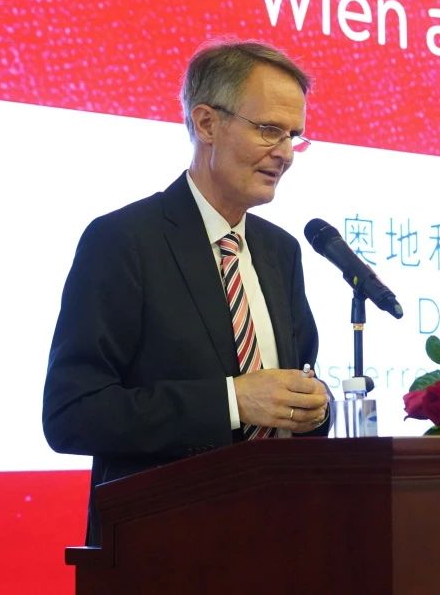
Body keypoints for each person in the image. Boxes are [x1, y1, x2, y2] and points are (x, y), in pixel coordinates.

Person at [42, 40, 331, 546]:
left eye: (293, 136)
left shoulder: (279, 251)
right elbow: (73, 414)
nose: (285, 154)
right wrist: (232, 400)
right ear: (206, 123)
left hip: (278, 542)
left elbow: (293, 384)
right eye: (269, 130)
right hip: (165, 551)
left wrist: (313, 408)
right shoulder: (124, 241)